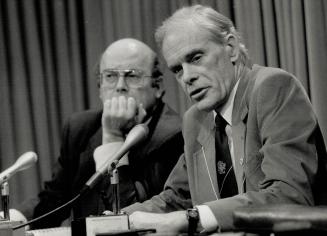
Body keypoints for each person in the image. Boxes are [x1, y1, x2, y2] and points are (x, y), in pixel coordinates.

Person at [123, 5, 327, 234]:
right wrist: (115, 221)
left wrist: (193, 218)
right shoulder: (196, 119)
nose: (187, 77)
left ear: (230, 48)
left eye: (196, 58)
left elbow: (288, 196)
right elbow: (177, 198)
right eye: (178, 70)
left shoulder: (273, 88)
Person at [11, 38, 184, 229]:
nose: (120, 86)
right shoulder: (80, 128)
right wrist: (15, 219)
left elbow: (125, 222)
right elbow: (55, 200)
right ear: (100, 87)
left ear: (157, 86)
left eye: (132, 76)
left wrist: (112, 137)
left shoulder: (175, 135)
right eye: (110, 76)